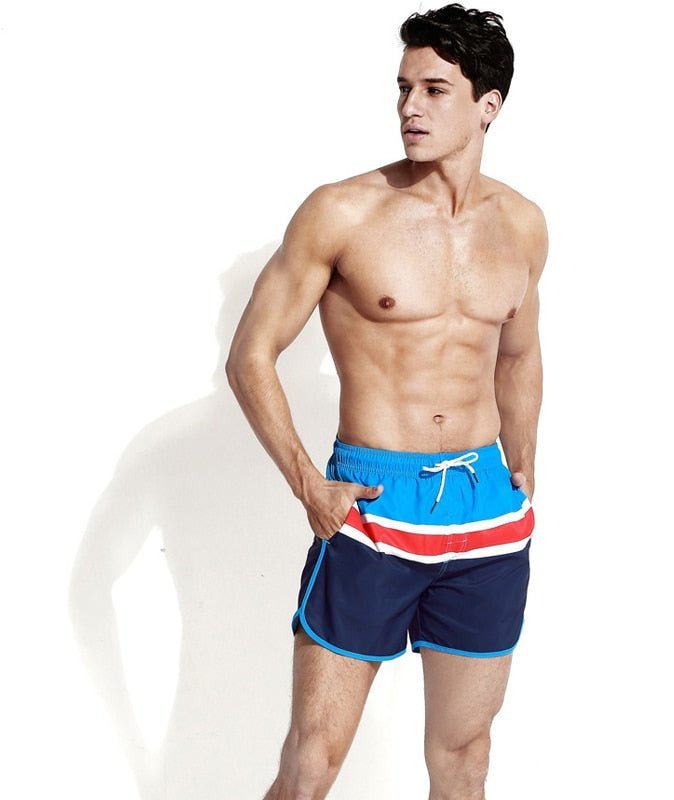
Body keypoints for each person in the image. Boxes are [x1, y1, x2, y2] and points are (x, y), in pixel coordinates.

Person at [226, 4, 548, 798]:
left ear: (488, 106)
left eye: (434, 90)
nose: (410, 106)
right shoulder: (343, 211)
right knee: (312, 762)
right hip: (371, 507)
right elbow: (250, 355)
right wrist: (309, 484)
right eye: (403, 87)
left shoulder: (522, 225)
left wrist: (523, 467)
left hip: (484, 513)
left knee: (464, 756)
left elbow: (517, 353)